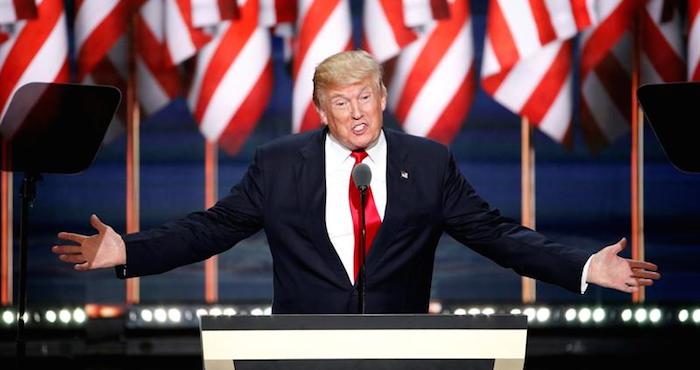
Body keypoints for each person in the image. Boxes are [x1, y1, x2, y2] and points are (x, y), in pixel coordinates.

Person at [52, 50, 660, 313]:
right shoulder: (278, 163)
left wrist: (583, 267)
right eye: (341, 103)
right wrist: (127, 250)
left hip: (403, 352)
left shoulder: (428, 163)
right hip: (299, 353)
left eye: (365, 97)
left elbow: (497, 236)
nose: (357, 113)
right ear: (321, 112)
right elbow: (210, 229)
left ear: (383, 97)